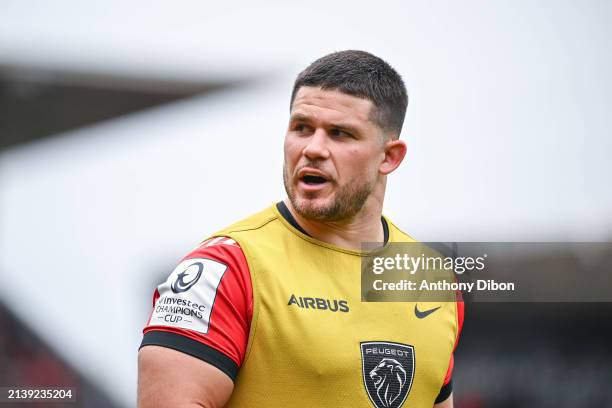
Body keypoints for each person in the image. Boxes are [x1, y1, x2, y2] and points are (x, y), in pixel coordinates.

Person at [137, 50, 463, 408]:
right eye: (301, 128)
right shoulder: (224, 270)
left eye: (340, 134)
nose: (313, 149)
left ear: (389, 157)